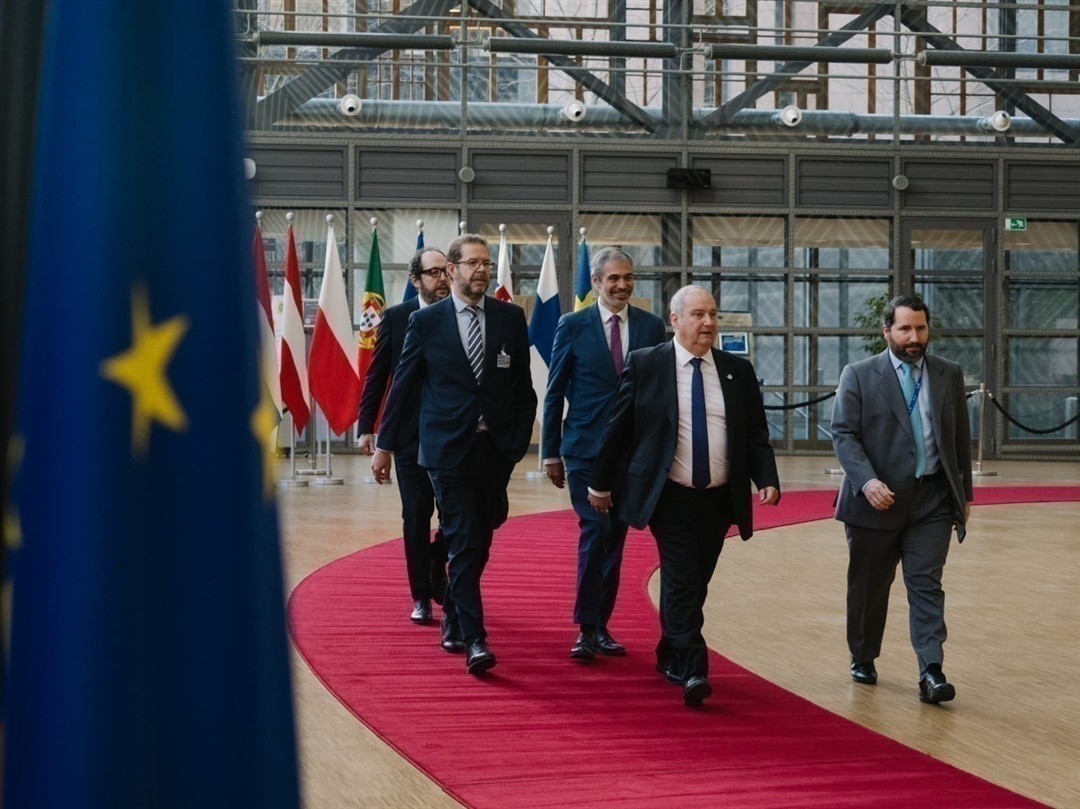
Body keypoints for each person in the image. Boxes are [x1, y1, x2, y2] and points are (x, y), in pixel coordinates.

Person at [588, 285, 780, 706]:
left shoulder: (736, 370)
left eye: (712, 314)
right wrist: (600, 483)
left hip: (719, 498)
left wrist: (766, 477)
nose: (708, 323)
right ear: (674, 320)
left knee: (696, 582)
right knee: (680, 580)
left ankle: (669, 651)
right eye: (698, 315)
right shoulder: (647, 364)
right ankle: (694, 668)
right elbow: (619, 429)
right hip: (670, 495)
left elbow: (754, 432)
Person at [372, 234, 537, 676]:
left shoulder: (509, 318)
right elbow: (402, 385)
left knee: (481, 539)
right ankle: (474, 638)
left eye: (486, 263)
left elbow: (524, 388)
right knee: (463, 538)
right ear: (452, 270)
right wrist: (384, 444)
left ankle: (452, 613)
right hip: (446, 451)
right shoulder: (426, 322)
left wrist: (517, 442)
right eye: (472, 263)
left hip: (494, 452)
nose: (481, 270)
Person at [831, 294, 973, 704]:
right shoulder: (859, 375)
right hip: (877, 500)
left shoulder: (948, 373)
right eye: (905, 328)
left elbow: (959, 437)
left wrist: (964, 494)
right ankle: (863, 654)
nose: (914, 337)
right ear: (887, 331)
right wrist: (867, 482)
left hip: (932, 500)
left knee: (926, 584)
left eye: (921, 328)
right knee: (870, 586)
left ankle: (931, 670)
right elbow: (843, 434)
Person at [542, 247, 667, 661]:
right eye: (613, 278)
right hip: (585, 450)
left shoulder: (651, 327)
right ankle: (585, 628)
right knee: (595, 532)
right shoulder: (572, 325)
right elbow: (554, 391)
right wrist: (550, 452)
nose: (622, 285)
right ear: (596, 282)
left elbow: (659, 392)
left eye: (628, 277)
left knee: (615, 540)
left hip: (631, 455)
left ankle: (600, 625)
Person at [357, 247, 450, 625]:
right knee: (415, 514)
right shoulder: (396, 318)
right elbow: (378, 375)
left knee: (457, 516)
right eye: (433, 273)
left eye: (446, 271)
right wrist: (367, 427)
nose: (442, 279)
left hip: (452, 435)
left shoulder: (459, 314)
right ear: (415, 279)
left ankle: (436, 561)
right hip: (410, 436)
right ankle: (421, 596)